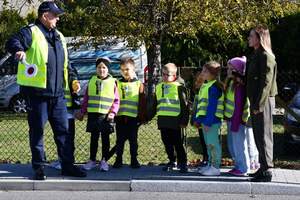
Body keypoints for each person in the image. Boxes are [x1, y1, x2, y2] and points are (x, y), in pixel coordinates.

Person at [5, 1, 86, 180]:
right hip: (37, 95)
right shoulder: (30, 32)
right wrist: (18, 50)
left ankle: (67, 166)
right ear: (44, 16)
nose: (58, 18)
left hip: (58, 96)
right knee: (37, 132)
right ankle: (39, 168)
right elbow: (12, 41)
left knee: (64, 132)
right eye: (55, 15)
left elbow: (67, 64)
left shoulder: (59, 36)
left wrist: (73, 79)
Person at [76, 57, 120, 172]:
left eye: (104, 67)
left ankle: (104, 161)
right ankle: (92, 160)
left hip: (106, 116)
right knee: (94, 138)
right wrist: (82, 111)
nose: (101, 70)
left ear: (108, 69)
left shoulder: (113, 82)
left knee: (105, 139)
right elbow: (86, 98)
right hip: (93, 115)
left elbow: (116, 100)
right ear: (96, 69)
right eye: (99, 67)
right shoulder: (91, 81)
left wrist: (112, 113)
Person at [246, 25, 277, 182]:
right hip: (256, 101)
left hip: (262, 102)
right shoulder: (257, 55)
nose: (249, 39)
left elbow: (266, 82)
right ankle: (262, 167)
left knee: (264, 136)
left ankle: (267, 170)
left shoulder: (266, 56)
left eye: (252, 36)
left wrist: (259, 104)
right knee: (258, 135)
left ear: (260, 38)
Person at [150, 63, 189, 173]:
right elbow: (155, 104)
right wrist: (147, 117)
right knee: (166, 142)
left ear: (175, 75)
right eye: (164, 74)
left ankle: (182, 162)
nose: (166, 77)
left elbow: (185, 106)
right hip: (163, 121)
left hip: (176, 122)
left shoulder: (179, 87)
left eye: (169, 75)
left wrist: (184, 121)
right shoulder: (158, 87)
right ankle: (172, 160)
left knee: (178, 143)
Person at [113, 58, 147, 169]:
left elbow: (142, 102)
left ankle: (134, 159)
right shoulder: (117, 83)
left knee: (133, 140)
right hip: (120, 117)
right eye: (122, 70)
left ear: (133, 69)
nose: (125, 72)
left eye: (127, 69)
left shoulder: (139, 84)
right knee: (120, 140)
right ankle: (118, 160)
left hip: (133, 118)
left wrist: (142, 117)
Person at [193, 61, 224, 176]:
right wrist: (199, 120)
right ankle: (210, 165)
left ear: (212, 73)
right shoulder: (206, 85)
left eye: (205, 71)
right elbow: (203, 106)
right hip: (206, 121)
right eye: (203, 70)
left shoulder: (214, 87)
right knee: (208, 144)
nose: (202, 73)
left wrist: (208, 122)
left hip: (212, 121)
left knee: (213, 144)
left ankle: (215, 167)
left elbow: (212, 107)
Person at [224, 56, 251, 176]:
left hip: (237, 121)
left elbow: (239, 107)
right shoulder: (231, 83)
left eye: (230, 69)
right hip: (231, 119)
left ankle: (244, 168)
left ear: (237, 71)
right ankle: (238, 166)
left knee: (239, 145)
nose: (228, 71)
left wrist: (235, 123)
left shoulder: (239, 87)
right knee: (232, 145)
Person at [191, 71, 208, 167]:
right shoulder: (198, 91)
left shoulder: (206, 89)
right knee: (202, 140)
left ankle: (209, 159)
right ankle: (205, 158)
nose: (197, 81)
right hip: (199, 120)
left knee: (208, 141)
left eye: (199, 79)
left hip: (206, 120)